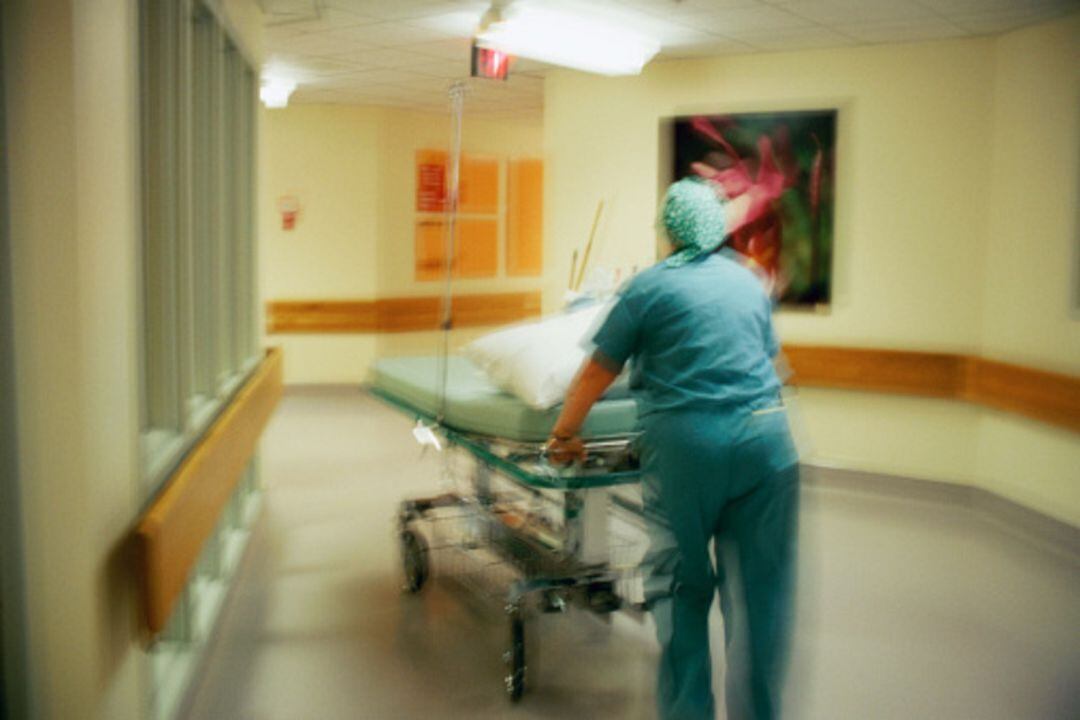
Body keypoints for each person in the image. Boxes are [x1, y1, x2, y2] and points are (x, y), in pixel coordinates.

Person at [546, 177, 800, 720]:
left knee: (682, 586)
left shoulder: (649, 288)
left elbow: (594, 373)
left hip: (690, 450)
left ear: (668, 231)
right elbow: (772, 369)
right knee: (762, 599)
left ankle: (688, 710)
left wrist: (564, 435)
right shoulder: (748, 281)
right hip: (769, 446)